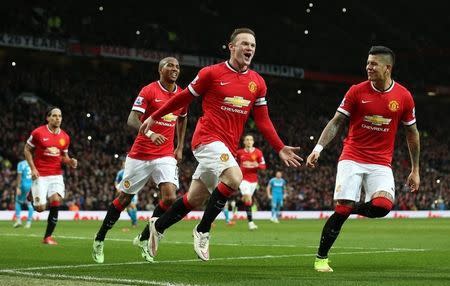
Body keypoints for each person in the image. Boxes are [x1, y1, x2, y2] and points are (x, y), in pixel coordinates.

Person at [139, 27, 302, 261]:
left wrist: (279, 147)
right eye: (244, 44)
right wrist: (155, 116)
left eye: (253, 45)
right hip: (206, 139)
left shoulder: (258, 82)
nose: (249, 48)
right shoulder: (211, 73)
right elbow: (184, 97)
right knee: (235, 177)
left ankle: (158, 226)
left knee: (194, 198)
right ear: (231, 46)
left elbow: (263, 120)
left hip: (225, 145)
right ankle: (203, 230)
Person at [306, 46, 420, 272]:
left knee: (383, 206)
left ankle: (351, 208)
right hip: (352, 158)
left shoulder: (404, 97)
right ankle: (321, 257)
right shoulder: (356, 91)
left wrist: (415, 169)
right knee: (342, 209)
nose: (368, 67)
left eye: (374, 64)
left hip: (381, 163)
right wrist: (318, 148)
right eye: (367, 63)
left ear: (387, 68)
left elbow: (412, 132)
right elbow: (337, 121)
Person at [92, 57, 187, 264]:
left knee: (170, 198)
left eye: (178, 66)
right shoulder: (149, 91)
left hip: (165, 154)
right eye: (170, 65)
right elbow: (132, 119)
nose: (175, 69)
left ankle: (144, 238)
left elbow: (183, 117)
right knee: (124, 198)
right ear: (160, 69)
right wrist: (151, 134)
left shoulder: (181, 94)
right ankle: (100, 238)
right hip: (141, 155)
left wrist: (179, 146)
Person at [24, 107, 78, 245]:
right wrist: (33, 168)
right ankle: (32, 194)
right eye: (54, 116)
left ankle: (47, 237)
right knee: (40, 208)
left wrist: (70, 161)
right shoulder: (38, 133)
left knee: (56, 200)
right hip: (40, 174)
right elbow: (27, 149)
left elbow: (63, 157)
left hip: (56, 175)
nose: (57, 118)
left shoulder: (65, 137)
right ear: (48, 118)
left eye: (59, 116)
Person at [235, 134, 266, 230]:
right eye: (247, 140)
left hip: (254, 180)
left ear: (253, 142)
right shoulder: (239, 153)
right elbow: (234, 163)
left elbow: (263, 166)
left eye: (251, 139)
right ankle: (251, 223)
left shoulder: (258, 152)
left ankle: (235, 204)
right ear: (244, 142)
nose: (249, 141)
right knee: (248, 198)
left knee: (247, 200)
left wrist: (255, 165)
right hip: (243, 179)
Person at [114, 160, 138, 227]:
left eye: (125, 164)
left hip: (132, 191)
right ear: (122, 165)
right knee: (128, 209)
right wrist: (117, 188)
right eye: (123, 164)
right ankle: (134, 221)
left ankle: (134, 222)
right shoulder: (120, 173)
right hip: (124, 192)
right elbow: (116, 181)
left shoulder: (131, 172)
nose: (124, 165)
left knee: (133, 206)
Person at [13, 159, 34, 228]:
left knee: (18, 202)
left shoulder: (21, 164)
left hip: (24, 185)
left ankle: (18, 220)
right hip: (32, 185)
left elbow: (19, 176)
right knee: (30, 204)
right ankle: (28, 223)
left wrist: (18, 187)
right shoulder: (34, 163)